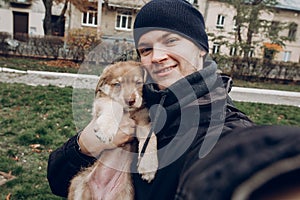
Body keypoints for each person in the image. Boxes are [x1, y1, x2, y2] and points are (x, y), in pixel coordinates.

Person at [47, 0, 287, 199]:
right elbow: (58, 182)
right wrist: (84, 145)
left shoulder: (220, 125)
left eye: (171, 41)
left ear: (200, 48)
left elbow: (239, 158)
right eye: (146, 49)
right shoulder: (137, 102)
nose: (158, 57)